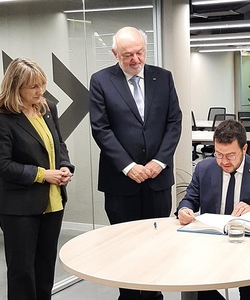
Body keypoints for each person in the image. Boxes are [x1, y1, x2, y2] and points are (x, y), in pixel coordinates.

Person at [89, 26, 182, 300]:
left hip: (158, 181)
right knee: (125, 249)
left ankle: (155, 295)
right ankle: (129, 297)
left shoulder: (163, 78)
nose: (136, 59)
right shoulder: (101, 81)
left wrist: (160, 161)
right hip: (121, 183)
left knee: (156, 246)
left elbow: (174, 122)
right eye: (128, 55)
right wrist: (129, 166)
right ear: (115, 54)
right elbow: (100, 128)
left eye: (140, 52)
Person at [0, 58, 74, 300]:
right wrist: (43, 174)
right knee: (22, 273)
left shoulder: (47, 109)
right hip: (19, 208)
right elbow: (1, 165)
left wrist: (64, 166)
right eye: (33, 87)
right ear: (16, 88)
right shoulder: (0, 121)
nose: (40, 91)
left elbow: (58, 144)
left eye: (42, 84)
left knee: (45, 270)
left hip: (53, 203)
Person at [177, 119, 250, 300]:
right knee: (194, 282)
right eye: (218, 154)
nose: (223, 161)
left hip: (248, 246)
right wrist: (184, 209)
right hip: (211, 244)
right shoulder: (204, 168)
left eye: (230, 155)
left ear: (244, 149)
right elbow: (190, 199)